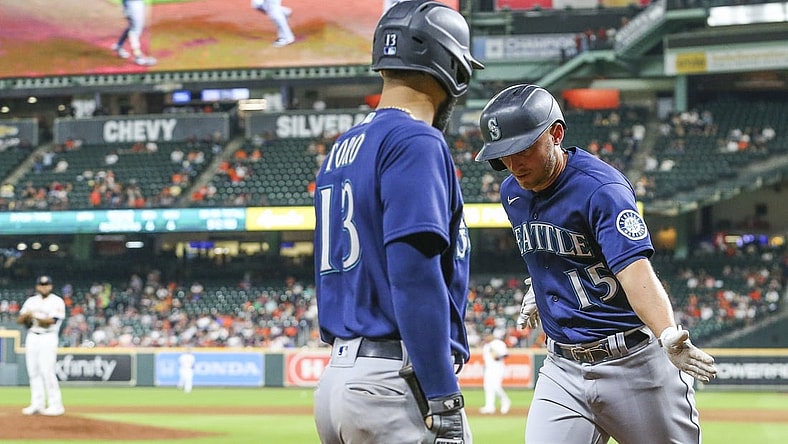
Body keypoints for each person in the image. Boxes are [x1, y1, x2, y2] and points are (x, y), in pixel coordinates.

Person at [474, 84, 718, 444]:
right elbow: (546, 250)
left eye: (522, 149)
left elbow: (635, 272)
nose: (513, 164)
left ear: (556, 133)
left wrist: (667, 332)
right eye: (503, 156)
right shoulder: (512, 192)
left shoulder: (601, 189)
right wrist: (539, 286)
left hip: (633, 364)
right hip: (562, 368)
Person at [312, 1, 483, 443]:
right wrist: (443, 394)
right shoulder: (416, 141)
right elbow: (412, 276)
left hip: (339, 379)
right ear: (452, 68)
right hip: (394, 382)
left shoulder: (342, 148)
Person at [17, 276, 66, 416]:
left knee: (47, 371)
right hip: (32, 336)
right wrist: (27, 315)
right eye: (41, 285)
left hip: (48, 337)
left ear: (51, 286)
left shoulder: (57, 301)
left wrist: (34, 315)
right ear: (37, 286)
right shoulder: (31, 301)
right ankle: (37, 404)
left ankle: (56, 405)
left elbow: (51, 321)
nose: (44, 287)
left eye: (47, 284)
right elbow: (20, 320)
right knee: (33, 372)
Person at [112, 0, 157, 66]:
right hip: (131, 3)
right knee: (135, 29)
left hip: (136, 2)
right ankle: (138, 56)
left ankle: (118, 46)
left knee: (133, 26)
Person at [479, 333, 511, 415]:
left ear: (492, 335)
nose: (486, 337)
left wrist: (498, 356)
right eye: (485, 336)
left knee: (496, 386)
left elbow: (506, 354)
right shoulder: (486, 346)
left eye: (487, 335)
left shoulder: (498, 343)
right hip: (488, 368)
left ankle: (505, 401)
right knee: (488, 387)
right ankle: (489, 407)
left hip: (498, 367)